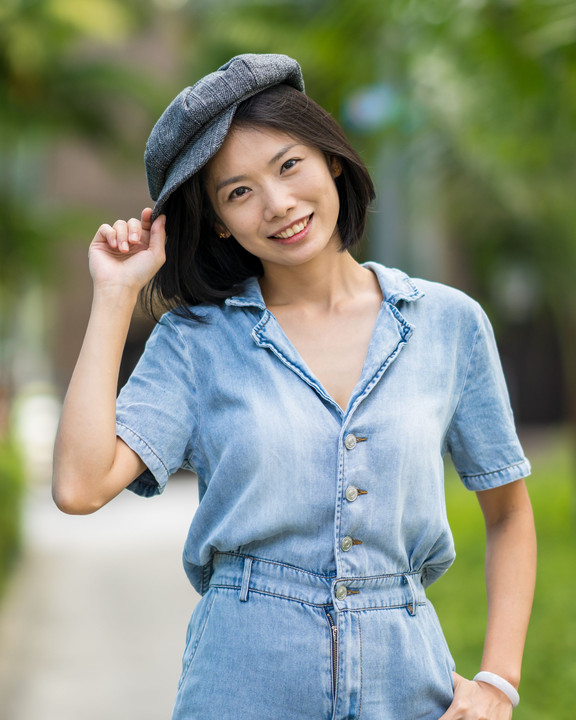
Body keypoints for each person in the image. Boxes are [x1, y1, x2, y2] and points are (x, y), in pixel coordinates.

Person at [52, 53, 536, 720]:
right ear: (219, 220)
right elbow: (80, 486)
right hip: (242, 680)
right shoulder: (197, 342)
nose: (279, 205)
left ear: (332, 158)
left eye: (289, 165)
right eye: (238, 192)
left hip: (409, 682)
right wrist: (114, 297)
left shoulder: (449, 324)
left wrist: (499, 683)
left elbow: (508, 512)